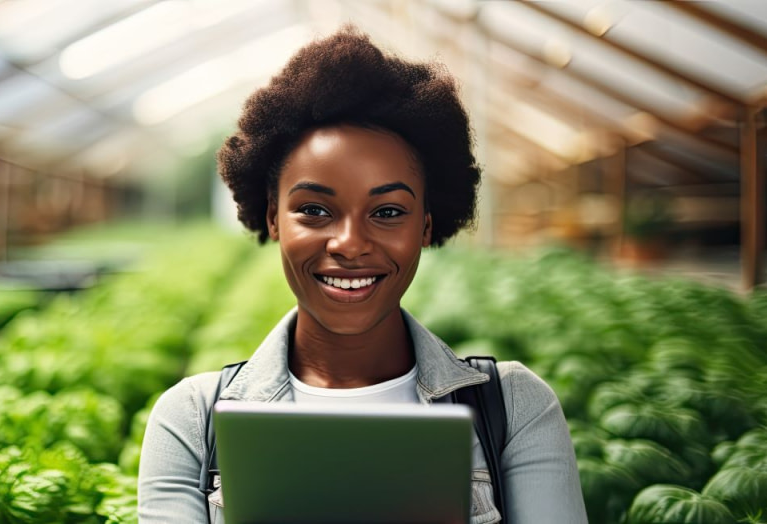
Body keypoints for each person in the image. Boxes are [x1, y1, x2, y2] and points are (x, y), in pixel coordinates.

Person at [137, 27, 586, 524]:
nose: (349, 243)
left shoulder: (515, 408)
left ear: (427, 225)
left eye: (388, 212)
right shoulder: (192, 420)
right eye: (313, 209)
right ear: (272, 219)